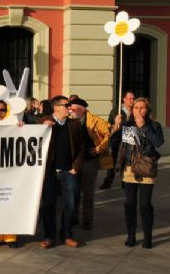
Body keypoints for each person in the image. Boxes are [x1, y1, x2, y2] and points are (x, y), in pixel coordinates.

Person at [114, 98, 164, 249]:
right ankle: (131, 235)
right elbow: (114, 144)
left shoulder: (154, 125)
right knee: (130, 204)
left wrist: (144, 127)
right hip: (129, 168)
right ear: (132, 109)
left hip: (145, 168)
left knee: (145, 204)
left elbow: (158, 142)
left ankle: (147, 237)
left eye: (142, 108)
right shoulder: (127, 125)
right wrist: (116, 127)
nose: (139, 110)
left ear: (147, 110)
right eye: (136, 108)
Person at [38, 95, 85, 249]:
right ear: (56, 107)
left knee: (71, 204)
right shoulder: (42, 122)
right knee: (48, 205)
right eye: (66, 105)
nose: (69, 107)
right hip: (49, 172)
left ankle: (67, 234)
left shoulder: (74, 124)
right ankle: (49, 236)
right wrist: (41, 128)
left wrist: (75, 167)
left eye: (69, 104)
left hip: (68, 171)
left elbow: (81, 148)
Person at [68, 98, 112, 230]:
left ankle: (87, 220)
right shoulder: (70, 121)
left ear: (83, 109)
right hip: (74, 161)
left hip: (89, 161)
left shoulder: (95, 120)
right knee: (74, 191)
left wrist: (100, 148)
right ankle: (74, 217)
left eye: (74, 109)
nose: (71, 111)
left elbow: (108, 133)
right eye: (70, 109)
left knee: (88, 193)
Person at [0, 100, 21, 248]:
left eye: (2, 109)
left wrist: (23, 128)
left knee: (9, 202)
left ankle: (10, 236)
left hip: (9, 171)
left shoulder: (15, 124)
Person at [101, 90, 136, 189]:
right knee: (113, 160)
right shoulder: (116, 111)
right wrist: (116, 123)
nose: (132, 100)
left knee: (126, 160)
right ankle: (108, 181)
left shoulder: (135, 111)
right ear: (124, 99)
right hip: (117, 139)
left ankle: (125, 181)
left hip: (129, 139)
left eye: (133, 98)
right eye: (129, 98)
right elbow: (109, 126)